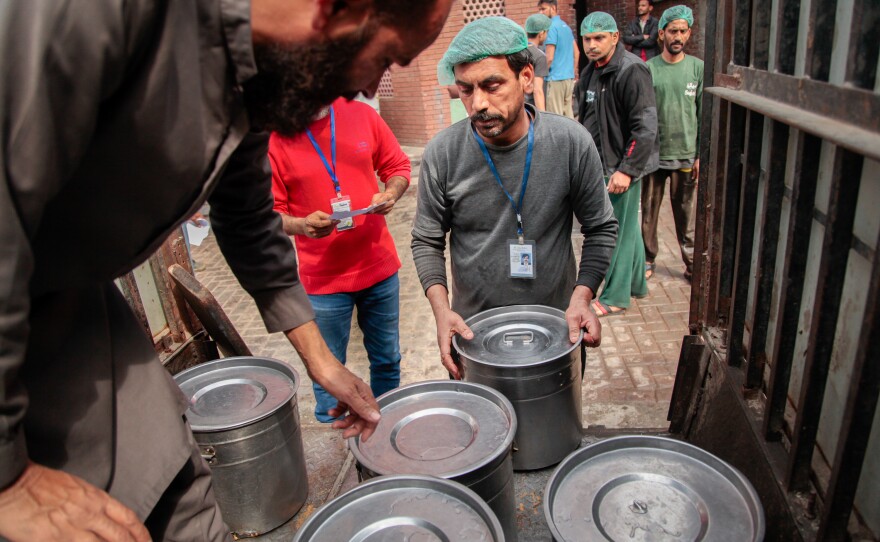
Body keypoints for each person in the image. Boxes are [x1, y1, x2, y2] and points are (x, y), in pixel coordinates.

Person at [0, 0, 453, 540]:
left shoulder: (260, 74)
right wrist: (10, 483)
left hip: (80, 313)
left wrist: (320, 360)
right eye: (386, 58)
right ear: (338, 9)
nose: (366, 89)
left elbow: (247, 217)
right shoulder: (88, 16)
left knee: (185, 501)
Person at [413, 16, 618, 379]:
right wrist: (441, 311)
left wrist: (583, 297)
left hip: (558, 329)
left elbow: (601, 227)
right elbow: (426, 239)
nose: (477, 103)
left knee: (554, 433)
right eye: (465, 89)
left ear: (525, 78)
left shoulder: (570, 143)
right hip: (473, 336)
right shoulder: (442, 153)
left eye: (492, 86)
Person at [270, 97, 410, 422]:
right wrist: (302, 225)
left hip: (380, 269)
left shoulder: (361, 114)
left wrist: (391, 193)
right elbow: (270, 215)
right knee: (328, 370)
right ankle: (333, 441)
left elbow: (398, 168)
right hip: (323, 283)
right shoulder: (274, 138)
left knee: (388, 360)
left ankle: (384, 423)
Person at [576, 11, 659, 317]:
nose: (592, 45)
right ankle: (636, 284)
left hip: (621, 166)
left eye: (599, 38)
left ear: (614, 37)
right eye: (587, 39)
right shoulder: (593, 70)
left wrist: (626, 169)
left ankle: (614, 296)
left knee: (615, 231)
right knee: (627, 229)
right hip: (600, 163)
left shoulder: (631, 71)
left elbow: (645, 126)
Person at [643, 6, 703, 282]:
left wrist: (701, 154)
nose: (677, 36)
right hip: (655, 156)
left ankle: (692, 264)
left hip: (686, 154)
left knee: (686, 214)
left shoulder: (697, 68)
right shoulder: (649, 69)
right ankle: (647, 258)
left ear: (688, 32)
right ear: (662, 33)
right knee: (649, 212)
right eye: (672, 31)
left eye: (682, 31)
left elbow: (703, 113)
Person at [537, 0, 580, 118]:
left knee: (556, 119)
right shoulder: (565, 26)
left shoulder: (550, 28)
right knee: (569, 118)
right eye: (539, 10)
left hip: (555, 79)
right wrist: (572, 72)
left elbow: (549, 58)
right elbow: (577, 52)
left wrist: (539, 75)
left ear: (553, 8)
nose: (541, 13)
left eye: (543, 9)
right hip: (568, 78)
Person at [524, 14, 552, 111]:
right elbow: (537, 90)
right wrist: (543, 117)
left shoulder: (518, 51)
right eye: (547, 32)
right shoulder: (539, 56)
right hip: (532, 108)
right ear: (541, 33)